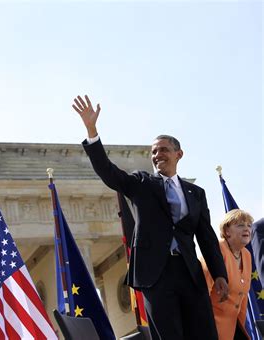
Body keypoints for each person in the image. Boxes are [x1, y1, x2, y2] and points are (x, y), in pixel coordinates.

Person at [72, 95, 228, 340]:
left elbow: (206, 237)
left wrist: (219, 274)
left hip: (190, 274)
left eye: (164, 150)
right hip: (156, 275)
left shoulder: (196, 193)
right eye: (154, 152)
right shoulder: (141, 184)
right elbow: (109, 172)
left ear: (179, 154)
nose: (157, 155)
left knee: (204, 333)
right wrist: (92, 131)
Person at [201, 209, 254, 340]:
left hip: (235, 326)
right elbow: (201, 292)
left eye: (249, 225)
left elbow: (243, 296)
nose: (246, 229)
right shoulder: (216, 250)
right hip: (211, 326)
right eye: (240, 225)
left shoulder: (246, 255)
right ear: (227, 231)